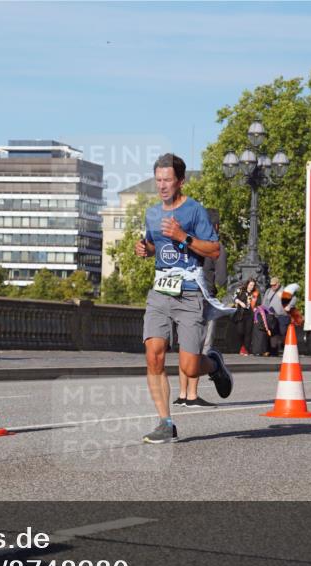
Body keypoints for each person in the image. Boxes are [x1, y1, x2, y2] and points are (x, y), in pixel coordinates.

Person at [135, 153, 233, 443]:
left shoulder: (194, 211)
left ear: (180, 181)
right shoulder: (152, 213)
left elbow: (214, 250)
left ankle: (214, 364)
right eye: (158, 180)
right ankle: (165, 423)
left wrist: (183, 236)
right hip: (160, 292)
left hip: (190, 293)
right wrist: (146, 249)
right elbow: (155, 244)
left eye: (167, 180)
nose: (162, 186)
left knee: (190, 367)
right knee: (154, 356)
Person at [175, 209, 227, 408]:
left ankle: (181, 394)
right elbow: (222, 279)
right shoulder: (216, 247)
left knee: (183, 347)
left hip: (182, 297)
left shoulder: (185, 242)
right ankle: (192, 394)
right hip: (204, 299)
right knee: (199, 347)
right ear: (215, 226)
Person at [233, 279, 259, 355]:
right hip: (241, 314)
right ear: (247, 284)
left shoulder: (255, 293)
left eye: (253, 285)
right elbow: (234, 298)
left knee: (248, 332)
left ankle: (246, 349)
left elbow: (258, 303)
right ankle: (242, 345)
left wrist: (256, 308)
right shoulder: (240, 290)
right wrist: (240, 303)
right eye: (250, 285)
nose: (252, 287)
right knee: (240, 331)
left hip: (250, 315)